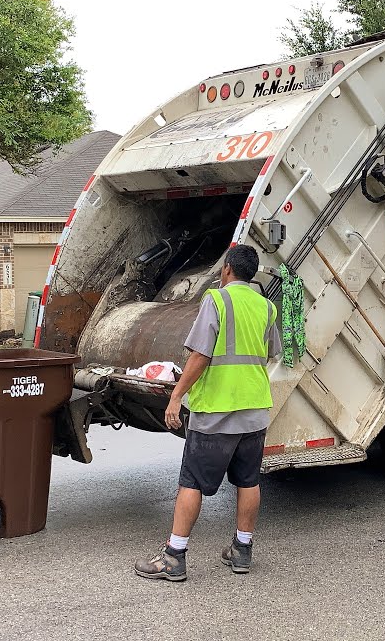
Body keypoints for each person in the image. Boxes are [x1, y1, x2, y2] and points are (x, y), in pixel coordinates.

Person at [135, 244, 281, 582]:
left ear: (227, 268)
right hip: (255, 409)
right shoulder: (267, 307)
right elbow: (271, 352)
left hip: (217, 410)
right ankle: (242, 551)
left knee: (192, 482)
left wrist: (176, 396)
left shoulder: (217, 301)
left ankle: (174, 556)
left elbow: (199, 357)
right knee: (248, 480)